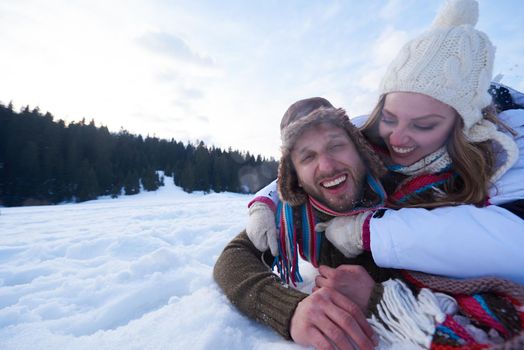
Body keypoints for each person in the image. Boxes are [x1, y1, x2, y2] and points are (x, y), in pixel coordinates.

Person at [246, 0, 524, 285]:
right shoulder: (367, 128)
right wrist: (265, 202)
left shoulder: (508, 147)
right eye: (390, 118)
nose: (398, 139)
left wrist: (369, 232)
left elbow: (513, 244)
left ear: (463, 126)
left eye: (424, 125)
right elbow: (308, 161)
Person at [213, 97, 524, 349]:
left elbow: (471, 265)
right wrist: (290, 309)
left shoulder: (407, 188)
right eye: (307, 157)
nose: (327, 166)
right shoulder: (296, 213)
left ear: (359, 149)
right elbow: (234, 257)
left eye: (336, 145)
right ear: (294, 173)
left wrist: (378, 299)